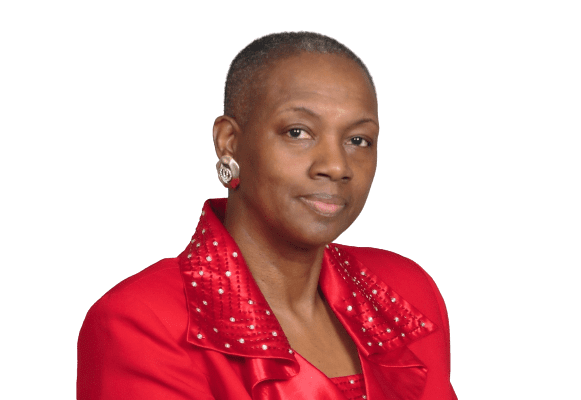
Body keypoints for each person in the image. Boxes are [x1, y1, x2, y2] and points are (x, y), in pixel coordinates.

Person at [77, 31, 456, 400]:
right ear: (229, 142)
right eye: (297, 132)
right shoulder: (143, 322)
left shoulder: (408, 291)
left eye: (358, 140)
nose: (337, 166)